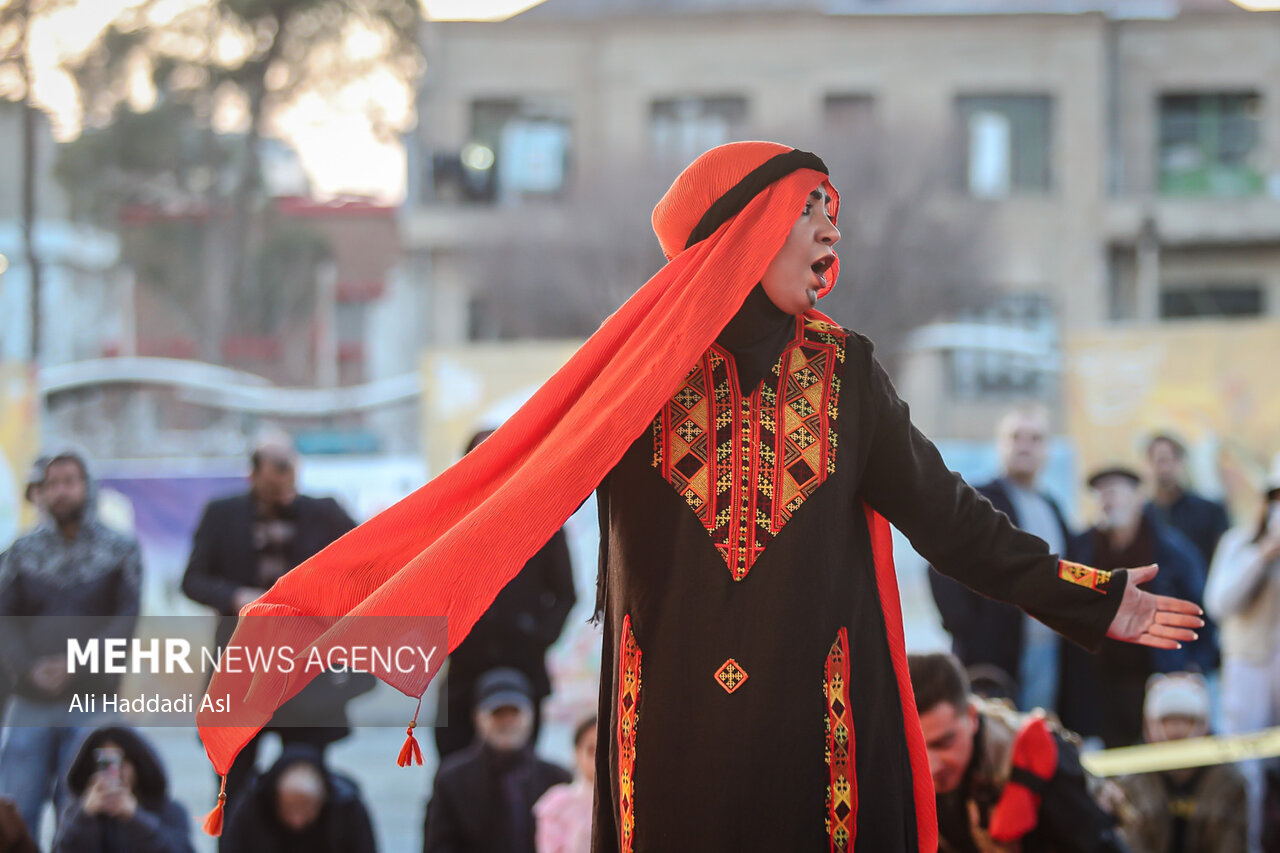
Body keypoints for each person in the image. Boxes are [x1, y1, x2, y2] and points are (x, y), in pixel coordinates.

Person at [198, 142, 1202, 851]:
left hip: (820, 717)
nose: (828, 238)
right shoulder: (635, 373)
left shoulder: (843, 370)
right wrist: (328, 618)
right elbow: (499, 498)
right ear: (749, 229)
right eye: (813, 215)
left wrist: (1091, 593)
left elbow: (950, 521)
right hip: (668, 716)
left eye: (830, 221)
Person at [181, 433, 367, 814]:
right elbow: (193, 580)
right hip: (242, 662)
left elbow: (364, 558)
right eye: (272, 477)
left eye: (288, 474)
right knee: (231, 782)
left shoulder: (324, 512)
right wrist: (236, 597)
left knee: (306, 779)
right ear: (253, 475)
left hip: (304, 665)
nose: (282, 485)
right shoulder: (223, 514)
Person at [0, 449, 142, 838]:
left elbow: (124, 622)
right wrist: (30, 668)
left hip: (92, 700)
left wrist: (77, 664)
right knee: (15, 807)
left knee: (83, 808)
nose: (60, 492)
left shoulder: (120, 551)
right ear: (42, 493)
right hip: (30, 700)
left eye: (69, 482)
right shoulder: (20, 553)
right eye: (52, 484)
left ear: (87, 487)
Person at [929, 404, 1094, 726]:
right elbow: (938, 564)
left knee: (1035, 741)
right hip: (991, 657)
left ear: (1046, 450)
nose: (1024, 445)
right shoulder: (977, 500)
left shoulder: (1052, 508)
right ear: (1000, 444)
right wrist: (970, 632)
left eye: (1035, 438)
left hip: (1048, 652)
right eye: (1015, 436)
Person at [436, 430, 576, 760]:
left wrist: (536, 634)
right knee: (455, 763)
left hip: (523, 662)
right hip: (466, 667)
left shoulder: (544, 520)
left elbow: (565, 594)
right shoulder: (450, 523)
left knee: (521, 768)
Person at [908, 651, 1127, 853]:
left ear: (972, 717)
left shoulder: (1042, 757)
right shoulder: (889, 774)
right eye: (915, 750)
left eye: (944, 743)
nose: (931, 766)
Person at [1073, 466, 1210, 748]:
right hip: (1100, 685)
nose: (1106, 500)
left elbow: (1201, 612)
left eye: (1114, 492)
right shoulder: (1081, 550)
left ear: (1138, 498)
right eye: (1100, 494)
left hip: (1159, 677)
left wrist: (1195, 667)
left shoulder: (1172, 551)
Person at [1205, 451, 1280, 852]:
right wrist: (1263, 554)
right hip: (1247, 668)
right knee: (1244, 773)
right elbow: (1219, 602)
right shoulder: (1238, 543)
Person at [423, 668, 572, 853]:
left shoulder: (556, 779)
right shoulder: (452, 779)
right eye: (497, 714)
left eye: (514, 713)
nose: (507, 722)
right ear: (478, 718)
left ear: (531, 716)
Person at [1116, 673, 1247, 853]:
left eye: (1186, 720)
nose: (1176, 731)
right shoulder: (1129, 781)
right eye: (1168, 721)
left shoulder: (1230, 781)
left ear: (1204, 725)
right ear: (1149, 725)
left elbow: (1233, 845)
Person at [52, 726, 195, 853]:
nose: (115, 771)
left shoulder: (169, 810)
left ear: (138, 764)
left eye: (121, 761)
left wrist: (135, 818)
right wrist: (85, 816)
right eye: (104, 763)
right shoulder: (75, 812)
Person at [220, 742, 377, 853]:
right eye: (289, 807)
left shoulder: (346, 806)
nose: (297, 820)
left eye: (306, 809)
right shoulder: (252, 805)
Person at [1146, 435, 1230, 572]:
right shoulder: (1143, 516)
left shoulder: (1210, 511)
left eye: (1169, 459)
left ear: (1180, 462)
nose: (1164, 468)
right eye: (1159, 461)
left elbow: (1224, 561)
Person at [534, 715, 597, 853]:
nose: (598, 759)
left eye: (605, 750)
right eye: (591, 750)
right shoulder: (558, 804)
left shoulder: (627, 802)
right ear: (577, 753)